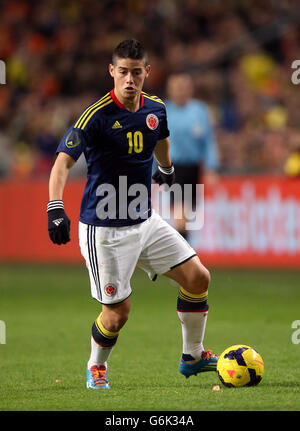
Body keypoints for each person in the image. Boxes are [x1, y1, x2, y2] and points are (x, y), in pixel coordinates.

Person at [47, 39, 218, 390]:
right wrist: (54, 207)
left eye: (136, 73)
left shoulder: (156, 108)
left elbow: (161, 137)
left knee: (198, 277)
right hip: (105, 230)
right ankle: (96, 367)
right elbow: (62, 163)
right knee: (117, 313)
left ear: (146, 73)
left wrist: (166, 168)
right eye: (122, 72)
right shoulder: (95, 116)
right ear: (112, 71)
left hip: (146, 221)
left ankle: (192, 356)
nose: (129, 80)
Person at [165, 73, 219, 240]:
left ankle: (183, 250)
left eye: (184, 87)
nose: (181, 91)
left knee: (188, 213)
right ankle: (182, 253)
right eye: (177, 88)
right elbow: (155, 142)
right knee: (180, 210)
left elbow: (208, 140)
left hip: (194, 167)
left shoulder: (200, 111)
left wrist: (211, 167)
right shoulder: (164, 111)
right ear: (170, 90)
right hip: (173, 167)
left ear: (190, 90)